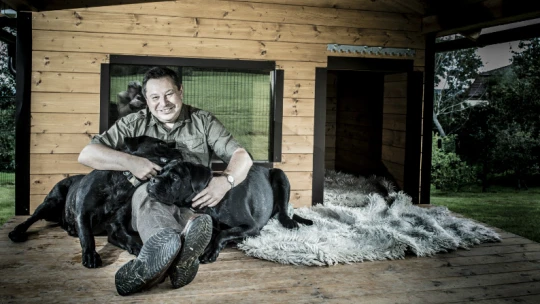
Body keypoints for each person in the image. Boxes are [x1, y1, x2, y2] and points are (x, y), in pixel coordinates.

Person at [78, 66, 253, 296]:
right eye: (155, 97)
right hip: (146, 204)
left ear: (181, 91)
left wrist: (225, 181)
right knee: (149, 195)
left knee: (197, 217)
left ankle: (166, 258)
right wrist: (131, 161)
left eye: (169, 94)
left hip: (190, 202)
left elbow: (243, 157)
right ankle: (169, 248)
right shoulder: (133, 123)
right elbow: (87, 154)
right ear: (147, 100)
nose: (164, 103)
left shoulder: (202, 121)